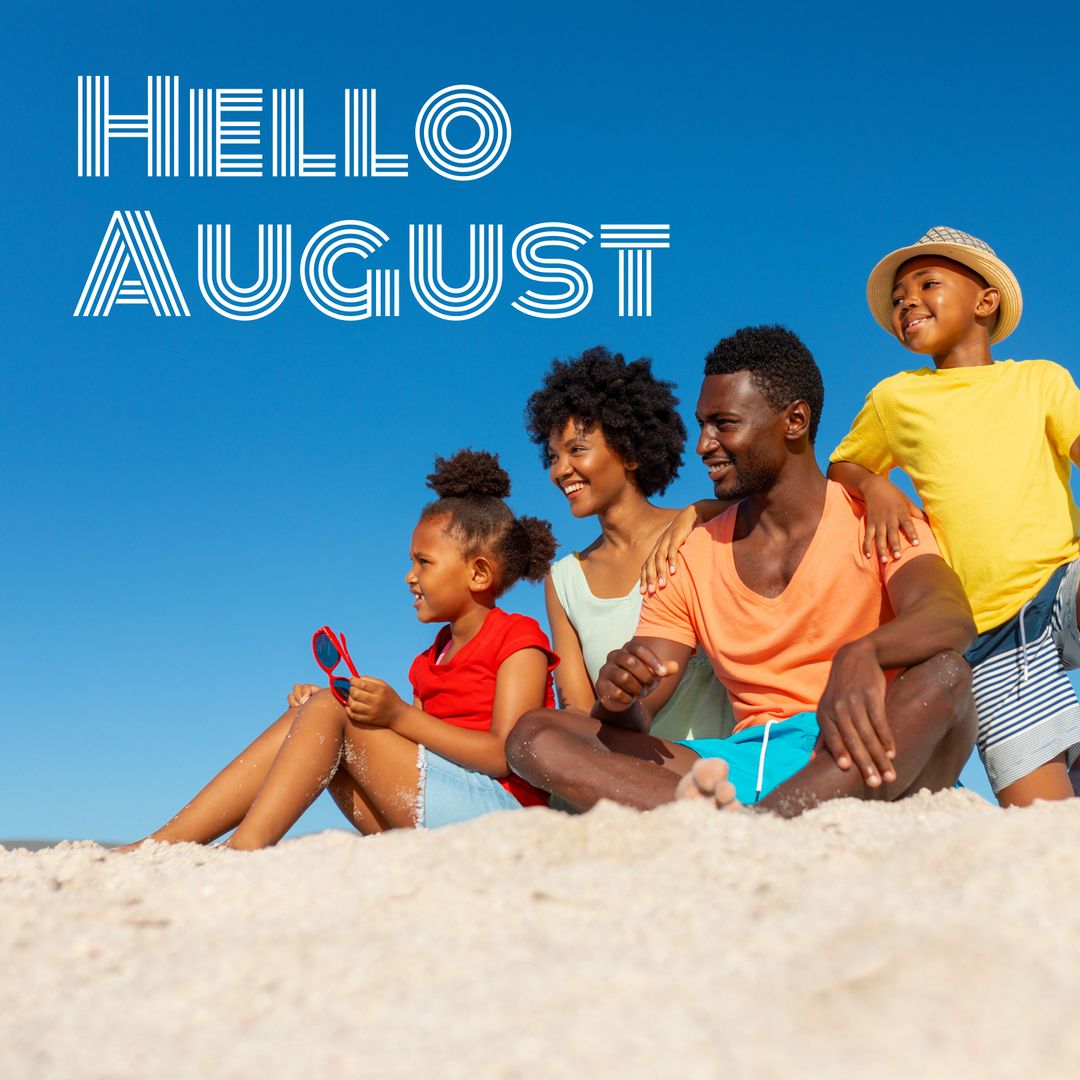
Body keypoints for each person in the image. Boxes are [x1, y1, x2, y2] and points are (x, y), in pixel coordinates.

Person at [506, 325, 978, 815]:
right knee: (536, 734)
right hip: (743, 763)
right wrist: (620, 696)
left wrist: (863, 654)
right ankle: (763, 824)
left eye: (724, 424)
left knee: (946, 674)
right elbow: (643, 706)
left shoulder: (875, 517)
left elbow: (949, 616)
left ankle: (756, 823)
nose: (704, 445)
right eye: (703, 425)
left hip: (862, 743)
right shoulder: (691, 553)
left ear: (794, 420)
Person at [123, 450, 558, 850]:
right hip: (436, 814)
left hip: (501, 816)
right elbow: (423, 744)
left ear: (479, 573)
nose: (410, 576)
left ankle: (243, 848)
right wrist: (347, 711)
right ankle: (166, 841)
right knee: (320, 709)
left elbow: (506, 755)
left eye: (423, 562)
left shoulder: (519, 637)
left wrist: (397, 716)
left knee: (332, 709)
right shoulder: (429, 660)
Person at [827, 226, 1080, 807]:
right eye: (898, 297)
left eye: (928, 283)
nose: (906, 300)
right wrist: (876, 485)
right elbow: (841, 466)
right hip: (991, 636)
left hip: (1063, 585)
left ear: (985, 302)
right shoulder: (896, 397)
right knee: (1046, 822)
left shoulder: (1039, 379)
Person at [524, 346, 733, 740]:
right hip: (621, 772)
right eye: (552, 456)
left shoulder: (700, 529)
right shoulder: (565, 579)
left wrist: (702, 509)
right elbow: (578, 708)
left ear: (631, 453)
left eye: (577, 450)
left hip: (714, 770)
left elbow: (777, 505)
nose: (559, 470)